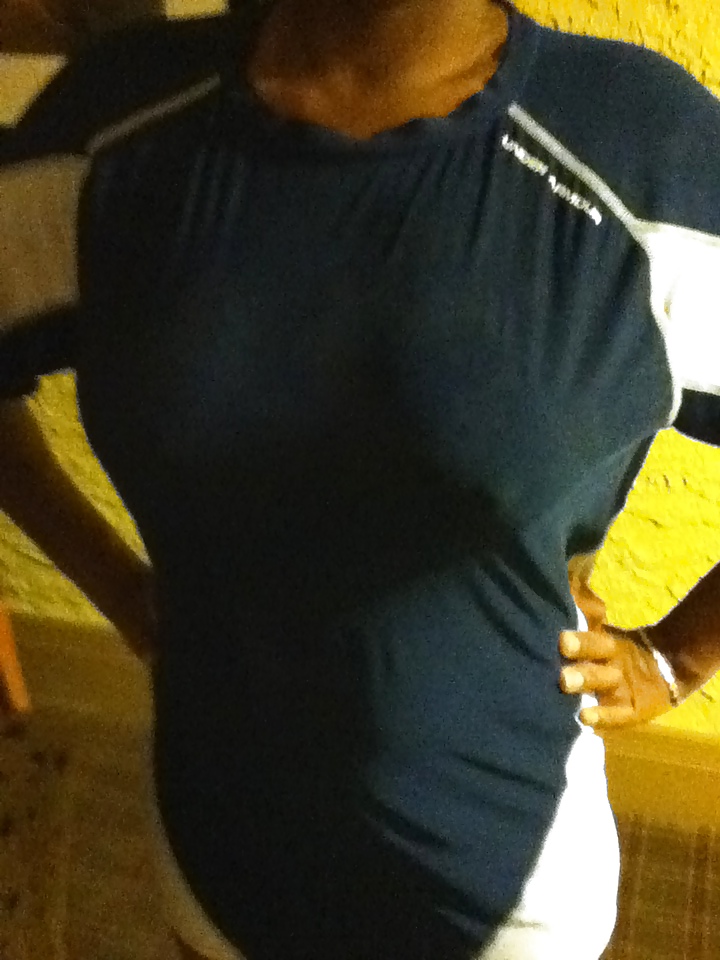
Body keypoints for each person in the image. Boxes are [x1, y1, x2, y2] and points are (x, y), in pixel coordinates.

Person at [2, 0, 720, 957]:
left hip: (499, 875)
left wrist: (678, 658)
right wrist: (118, 589)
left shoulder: (647, 153)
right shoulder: (114, 123)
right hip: (217, 835)